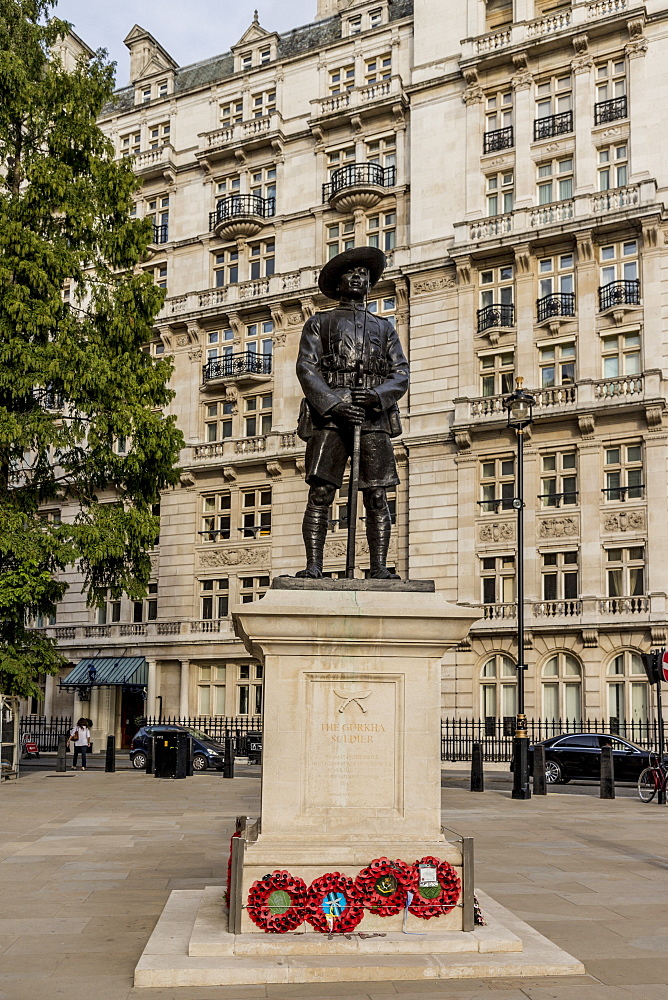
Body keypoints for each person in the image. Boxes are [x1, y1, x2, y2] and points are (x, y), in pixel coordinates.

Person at [295, 246, 409, 579]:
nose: (359, 277)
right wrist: (335, 404)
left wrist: (375, 395)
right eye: (351, 273)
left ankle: (377, 567)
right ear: (339, 283)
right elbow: (307, 368)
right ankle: (314, 565)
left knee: (376, 494)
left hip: (372, 417)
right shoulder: (319, 323)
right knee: (320, 492)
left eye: (365, 274)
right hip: (330, 417)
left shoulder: (384, 327)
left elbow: (400, 373)